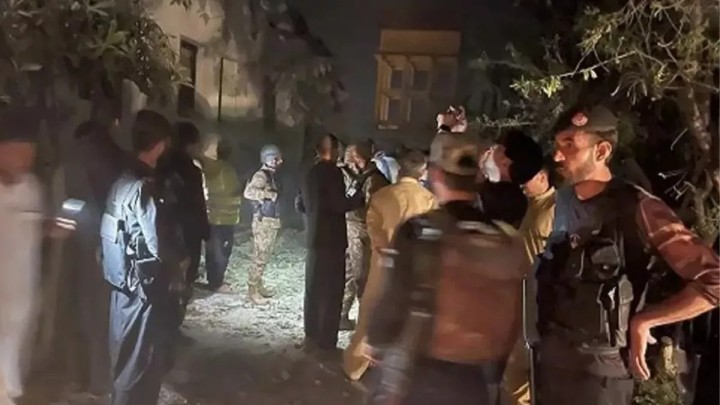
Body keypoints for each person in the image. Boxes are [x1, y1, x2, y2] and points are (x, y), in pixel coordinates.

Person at [535, 105, 719, 405]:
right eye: (557, 145)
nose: (557, 156)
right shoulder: (559, 203)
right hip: (551, 369)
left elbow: (714, 280)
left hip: (602, 379)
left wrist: (645, 321)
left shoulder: (640, 208)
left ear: (602, 151)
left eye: (569, 145)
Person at [366, 132, 526, 405]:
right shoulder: (506, 238)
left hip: (424, 375)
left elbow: (393, 301)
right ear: (478, 178)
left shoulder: (419, 231)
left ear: (435, 174)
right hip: (479, 380)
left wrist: (376, 339)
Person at [100, 109, 187, 405]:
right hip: (144, 291)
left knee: (123, 359)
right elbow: (158, 245)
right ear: (161, 145)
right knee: (140, 366)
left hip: (121, 287)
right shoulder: (144, 187)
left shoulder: (121, 181)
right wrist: (179, 265)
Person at [0, 107, 75, 404]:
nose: (26, 161)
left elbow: (32, 223)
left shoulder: (31, 187)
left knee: (12, 373)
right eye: (20, 154)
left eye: (29, 155)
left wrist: (51, 229)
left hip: (22, 299)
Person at [342, 149, 436, 381]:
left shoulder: (382, 196)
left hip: (383, 264)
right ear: (422, 172)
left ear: (400, 170)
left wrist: (384, 248)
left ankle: (356, 364)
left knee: (371, 310)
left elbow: (372, 228)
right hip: (414, 267)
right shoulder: (429, 200)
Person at [496, 134, 555, 405]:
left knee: (521, 373)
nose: (522, 186)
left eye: (527, 180)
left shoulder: (553, 209)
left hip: (536, 302)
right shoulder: (533, 205)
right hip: (522, 298)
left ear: (542, 176)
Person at [297, 134, 363, 356]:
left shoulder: (309, 172)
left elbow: (300, 204)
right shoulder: (333, 172)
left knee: (313, 289)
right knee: (332, 291)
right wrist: (357, 196)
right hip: (332, 240)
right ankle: (327, 343)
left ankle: (311, 336)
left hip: (313, 239)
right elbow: (339, 204)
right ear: (333, 150)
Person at [340, 141, 390, 330]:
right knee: (354, 275)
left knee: (360, 276)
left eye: (349, 159)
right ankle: (352, 318)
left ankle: (360, 319)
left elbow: (374, 209)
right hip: (355, 231)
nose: (346, 162)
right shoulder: (366, 177)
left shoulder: (373, 179)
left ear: (358, 158)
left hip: (361, 232)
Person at [158, 121, 210, 287]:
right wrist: (205, 230)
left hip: (163, 228)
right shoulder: (190, 170)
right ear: (190, 144)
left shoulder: (160, 165)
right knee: (186, 274)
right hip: (188, 229)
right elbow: (197, 202)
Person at [243, 144, 284, 303]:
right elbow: (248, 192)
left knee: (264, 255)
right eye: (277, 158)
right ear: (269, 159)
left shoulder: (270, 176)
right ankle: (252, 290)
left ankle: (258, 285)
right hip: (263, 221)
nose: (280, 161)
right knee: (259, 256)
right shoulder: (261, 176)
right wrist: (267, 194)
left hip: (270, 220)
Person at [201, 137, 242, 292]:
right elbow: (233, 190)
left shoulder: (210, 168)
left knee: (212, 251)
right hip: (226, 217)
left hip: (212, 216)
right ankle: (217, 283)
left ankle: (212, 280)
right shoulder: (227, 170)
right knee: (222, 252)